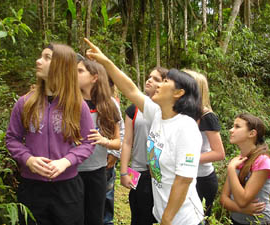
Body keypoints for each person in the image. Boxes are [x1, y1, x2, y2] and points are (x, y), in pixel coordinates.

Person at [84, 38, 204, 225]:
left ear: (178, 93)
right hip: (161, 212)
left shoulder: (186, 128)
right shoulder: (157, 114)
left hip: (183, 219)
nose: (157, 85)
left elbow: (184, 180)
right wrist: (105, 62)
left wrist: (166, 220)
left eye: (164, 81)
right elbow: (130, 89)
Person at [5, 43, 95, 225]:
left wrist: (66, 161)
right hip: (31, 187)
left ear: (61, 65)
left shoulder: (77, 104)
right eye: (40, 56)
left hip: (67, 188)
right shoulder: (25, 103)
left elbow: (88, 142)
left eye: (47, 58)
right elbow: (12, 138)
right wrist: (28, 159)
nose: (39, 61)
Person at [120, 67, 168, 225]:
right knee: (138, 214)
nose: (149, 80)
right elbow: (127, 142)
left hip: (160, 173)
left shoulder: (169, 110)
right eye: (149, 77)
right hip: (137, 170)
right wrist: (124, 172)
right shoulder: (133, 109)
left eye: (156, 79)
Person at [77, 58, 121, 225]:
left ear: (94, 77)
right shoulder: (69, 102)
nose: (75, 74)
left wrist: (104, 141)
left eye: (80, 71)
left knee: (95, 217)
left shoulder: (109, 105)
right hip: (71, 171)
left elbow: (118, 142)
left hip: (97, 172)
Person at [183, 69, 225, 218]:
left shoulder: (207, 116)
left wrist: (187, 158)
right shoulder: (179, 112)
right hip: (182, 176)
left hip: (202, 179)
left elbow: (219, 153)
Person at [220, 113, 270, 225]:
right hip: (235, 220)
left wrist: (232, 169)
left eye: (237, 127)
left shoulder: (262, 161)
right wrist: (242, 210)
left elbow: (242, 200)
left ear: (252, 133)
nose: (231, 130)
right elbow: (223, 199)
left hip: (258, 222)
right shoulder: (237, 160)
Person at [104, 78, 125, 225]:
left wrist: (114, 154)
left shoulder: (110, 103)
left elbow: (121, 131)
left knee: (107, 196)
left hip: (106, 158)